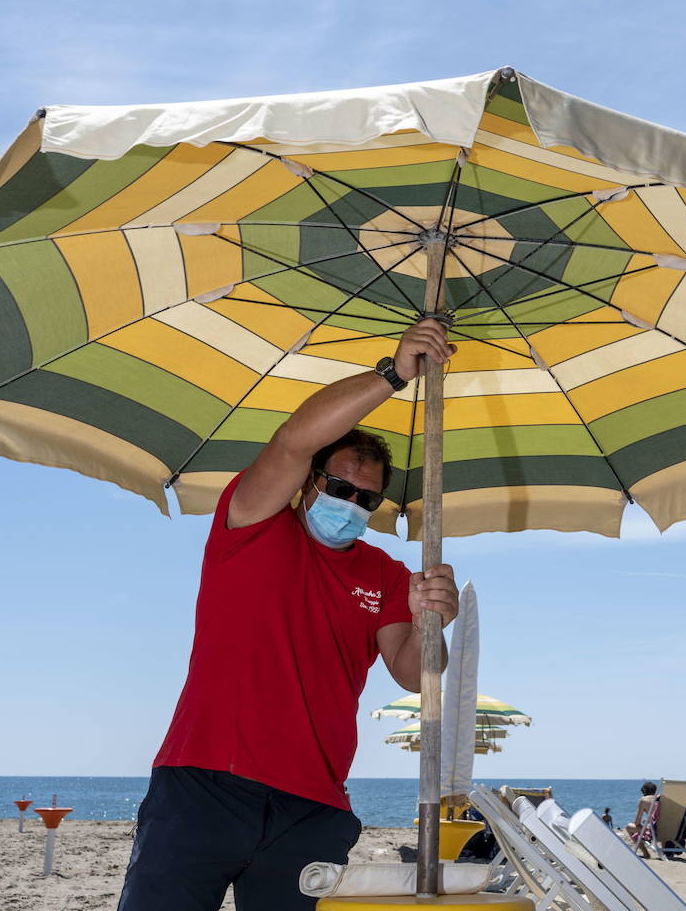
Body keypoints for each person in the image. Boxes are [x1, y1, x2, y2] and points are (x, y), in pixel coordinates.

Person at [117, 320, 461, 911]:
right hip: (205, 782)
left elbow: (413, 675)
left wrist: (435, 620)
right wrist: (394, 373)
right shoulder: (252, 522)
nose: (352, 505)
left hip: (314, 807)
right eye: (340, 488)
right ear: (309, 483)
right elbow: (290, 442)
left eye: (367, 499)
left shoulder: (383, 574)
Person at [625, 782, 658, 857]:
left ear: (644, 791)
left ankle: (646, 853)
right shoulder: (662, 798)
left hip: (654, 832)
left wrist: (644, 825)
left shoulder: (644, 800)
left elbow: (637, 822)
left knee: (629, 827)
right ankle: (666, 852)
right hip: (669, 831)